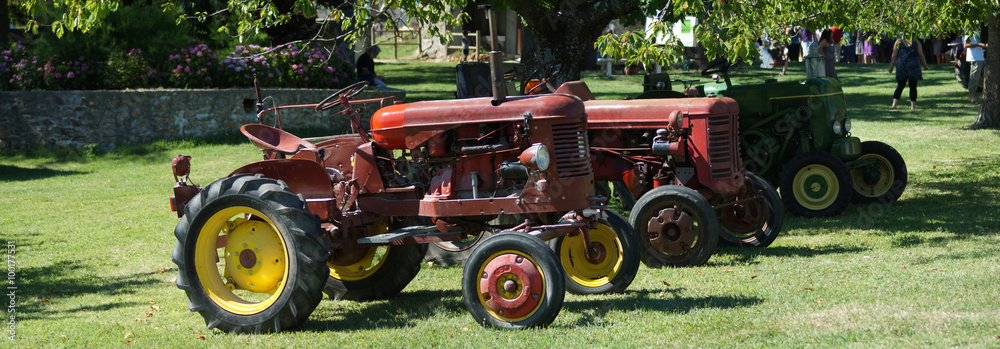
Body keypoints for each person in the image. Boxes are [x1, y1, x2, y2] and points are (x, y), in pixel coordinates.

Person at [888, 36, 930, 110]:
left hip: (902, 66)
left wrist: (891, 67)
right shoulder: (916, 41)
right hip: (913, 65)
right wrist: (925, 65)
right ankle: (913, 106)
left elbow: (894, 55)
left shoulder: (898, 41)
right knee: (913, 86)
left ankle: (894, 105)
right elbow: (921, 54)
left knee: (900, 86)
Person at [964, 30, 987, 105]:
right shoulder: (969, 31)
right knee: (974, 79)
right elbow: (966, 45)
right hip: (975, 58)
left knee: (987, 78)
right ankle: (973, 99)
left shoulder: (978, 31)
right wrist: (978, 45)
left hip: (981, 57)